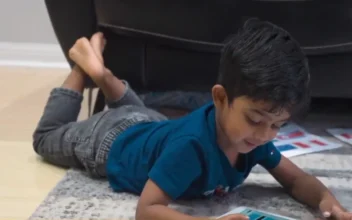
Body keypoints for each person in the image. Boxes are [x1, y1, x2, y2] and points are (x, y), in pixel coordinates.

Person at [32, 18, 351, 220]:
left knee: (142, 115)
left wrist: (327, 200)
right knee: (46, 138)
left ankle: (102, 73)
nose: (267, 134)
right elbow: (147, 210)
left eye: (278, 125)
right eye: (256, 119)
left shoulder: (252, 139)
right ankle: (82, 69)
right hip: (109, 141)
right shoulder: (190, 148)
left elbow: (296, 180)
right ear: (220, 98)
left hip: (153, 125)